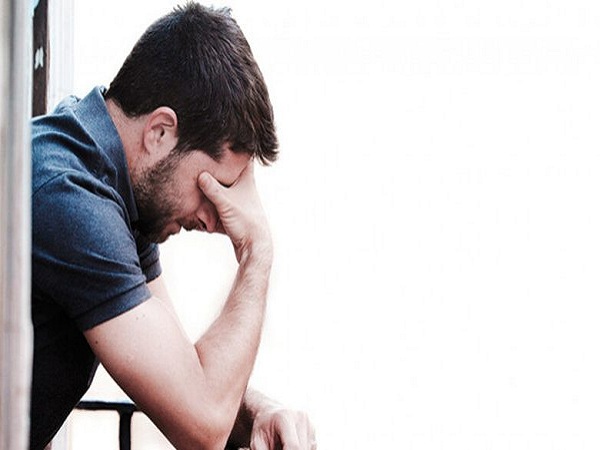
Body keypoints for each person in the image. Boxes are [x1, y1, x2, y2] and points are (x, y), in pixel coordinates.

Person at [30, 3, 315, 449]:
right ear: (160, 131)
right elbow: (202, 428)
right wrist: (257, 250)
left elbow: (180, 373)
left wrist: (258, 410)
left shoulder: (111, 183)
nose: (217, 220)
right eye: (212, 187)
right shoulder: (70, 197)